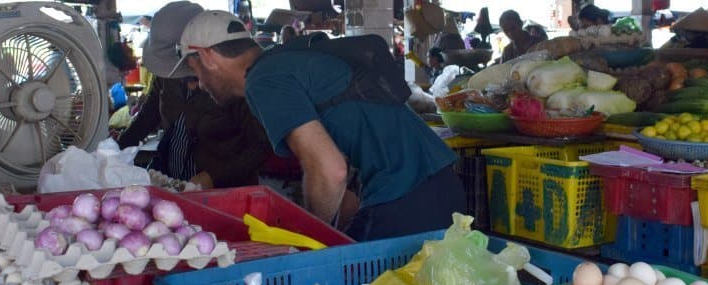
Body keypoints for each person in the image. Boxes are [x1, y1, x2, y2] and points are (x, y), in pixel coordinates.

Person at [170, 10, 464, 240]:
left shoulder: (263, 80)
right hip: (440, 184)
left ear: (207, 56)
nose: (197, 86)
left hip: (403, 197)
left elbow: (329, 170)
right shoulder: (289, 62)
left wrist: (309, 237)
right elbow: (342, 173)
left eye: (193, 70)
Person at [117, 2, 270, 188]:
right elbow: (146, 118)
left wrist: (215, 176)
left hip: (226, 193)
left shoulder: (233, 83)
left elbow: (261, 147)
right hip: (172, 180)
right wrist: (113, 148)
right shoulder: (166, 79)